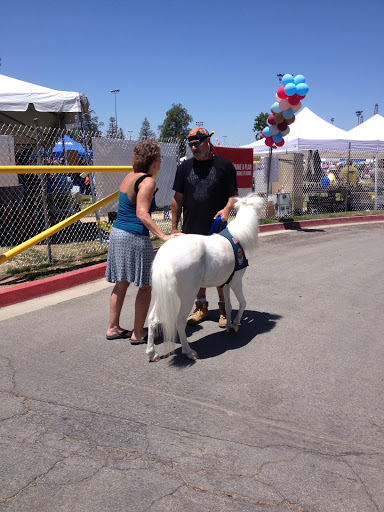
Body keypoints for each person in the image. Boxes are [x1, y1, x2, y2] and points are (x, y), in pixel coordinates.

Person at [106, 140, 182, 343]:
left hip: (117, 233)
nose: (160, 162)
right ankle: (138, 333)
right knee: (146, 285)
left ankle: (113, 327)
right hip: (134, 236)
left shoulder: (130, 177)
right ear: (154, 161)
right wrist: (164, 236)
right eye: (159, 159)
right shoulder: (148, 181)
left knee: (121, 283)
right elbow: (142, 213)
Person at [171, 127, 238, 327]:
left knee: (220, 269)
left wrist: (226, 211)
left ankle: (225, 309)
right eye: (191, 144)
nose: (194, 147)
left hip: (217, 230)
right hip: (191, 227)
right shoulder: (184, 168)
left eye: (198, 142)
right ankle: (201, 308)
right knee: (195, 271)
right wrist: (174, 228)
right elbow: (177, 198)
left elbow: (234, 195)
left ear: (208, 141)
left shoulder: (225, 165)